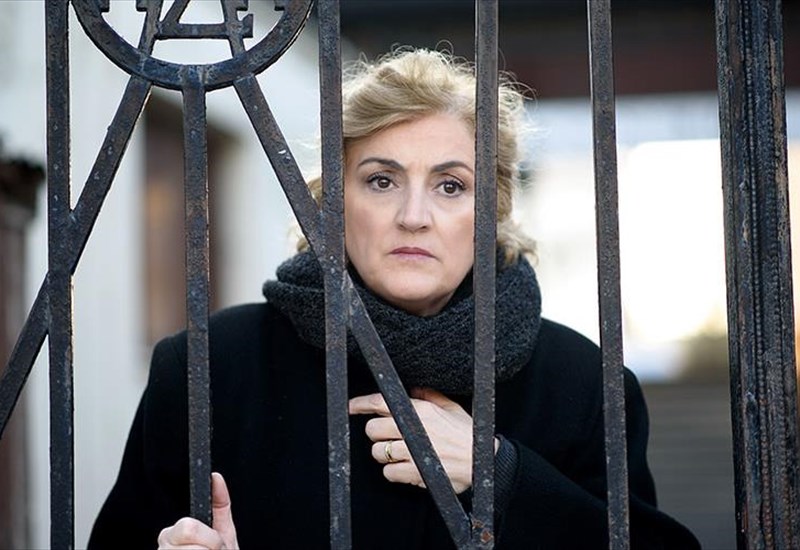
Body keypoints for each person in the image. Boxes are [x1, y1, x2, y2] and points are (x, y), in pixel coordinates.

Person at [88, 48, 700, 549]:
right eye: (381, 180)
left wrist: (500, 474)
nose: (413, 216)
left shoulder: (585, 386)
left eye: (451, 186)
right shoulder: (210, 365)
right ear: (333, 201)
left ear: (493, 210)